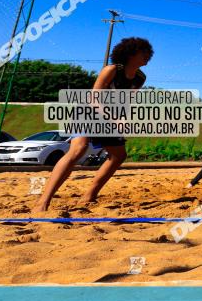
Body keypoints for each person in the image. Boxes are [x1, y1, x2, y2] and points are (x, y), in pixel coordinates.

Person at [32, 37, 154, 212]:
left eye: (149, 53)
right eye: (145, 52)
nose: (148, 56)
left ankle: (89, 195)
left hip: (109, 116)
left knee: (118, 155)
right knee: (78, 149)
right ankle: (43, 201)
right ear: (130, 53)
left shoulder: (140, 78)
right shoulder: (111, 70)